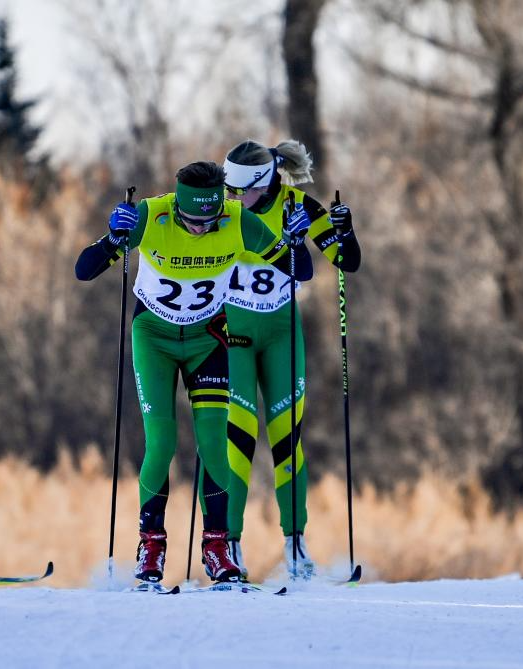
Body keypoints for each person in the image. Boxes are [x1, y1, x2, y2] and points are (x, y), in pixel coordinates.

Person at [75, 161, 313, 585]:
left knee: (214, 445)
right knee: (161, 442)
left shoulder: (238, 220)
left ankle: (217, 549)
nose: (201, 229)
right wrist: (113, 237)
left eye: (209, 220)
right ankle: (151, 546)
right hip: (155, 338)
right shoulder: (151, 215)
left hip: (208, 339)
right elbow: (84, 269)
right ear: (177, 207)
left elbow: (301, 269)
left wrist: (296, 241)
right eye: (191, 221)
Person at [221, 140, 361, 579]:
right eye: (229, 189)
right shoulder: (222, 210)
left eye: (241, 190)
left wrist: (346, 231)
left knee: (287, 440)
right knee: (238, 441)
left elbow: (347, 261)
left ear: (264, 184)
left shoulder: (298, 205)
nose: (233, 197)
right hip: (232, 334)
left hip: (281, 333)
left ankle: (296, 547)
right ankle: (227, 547)